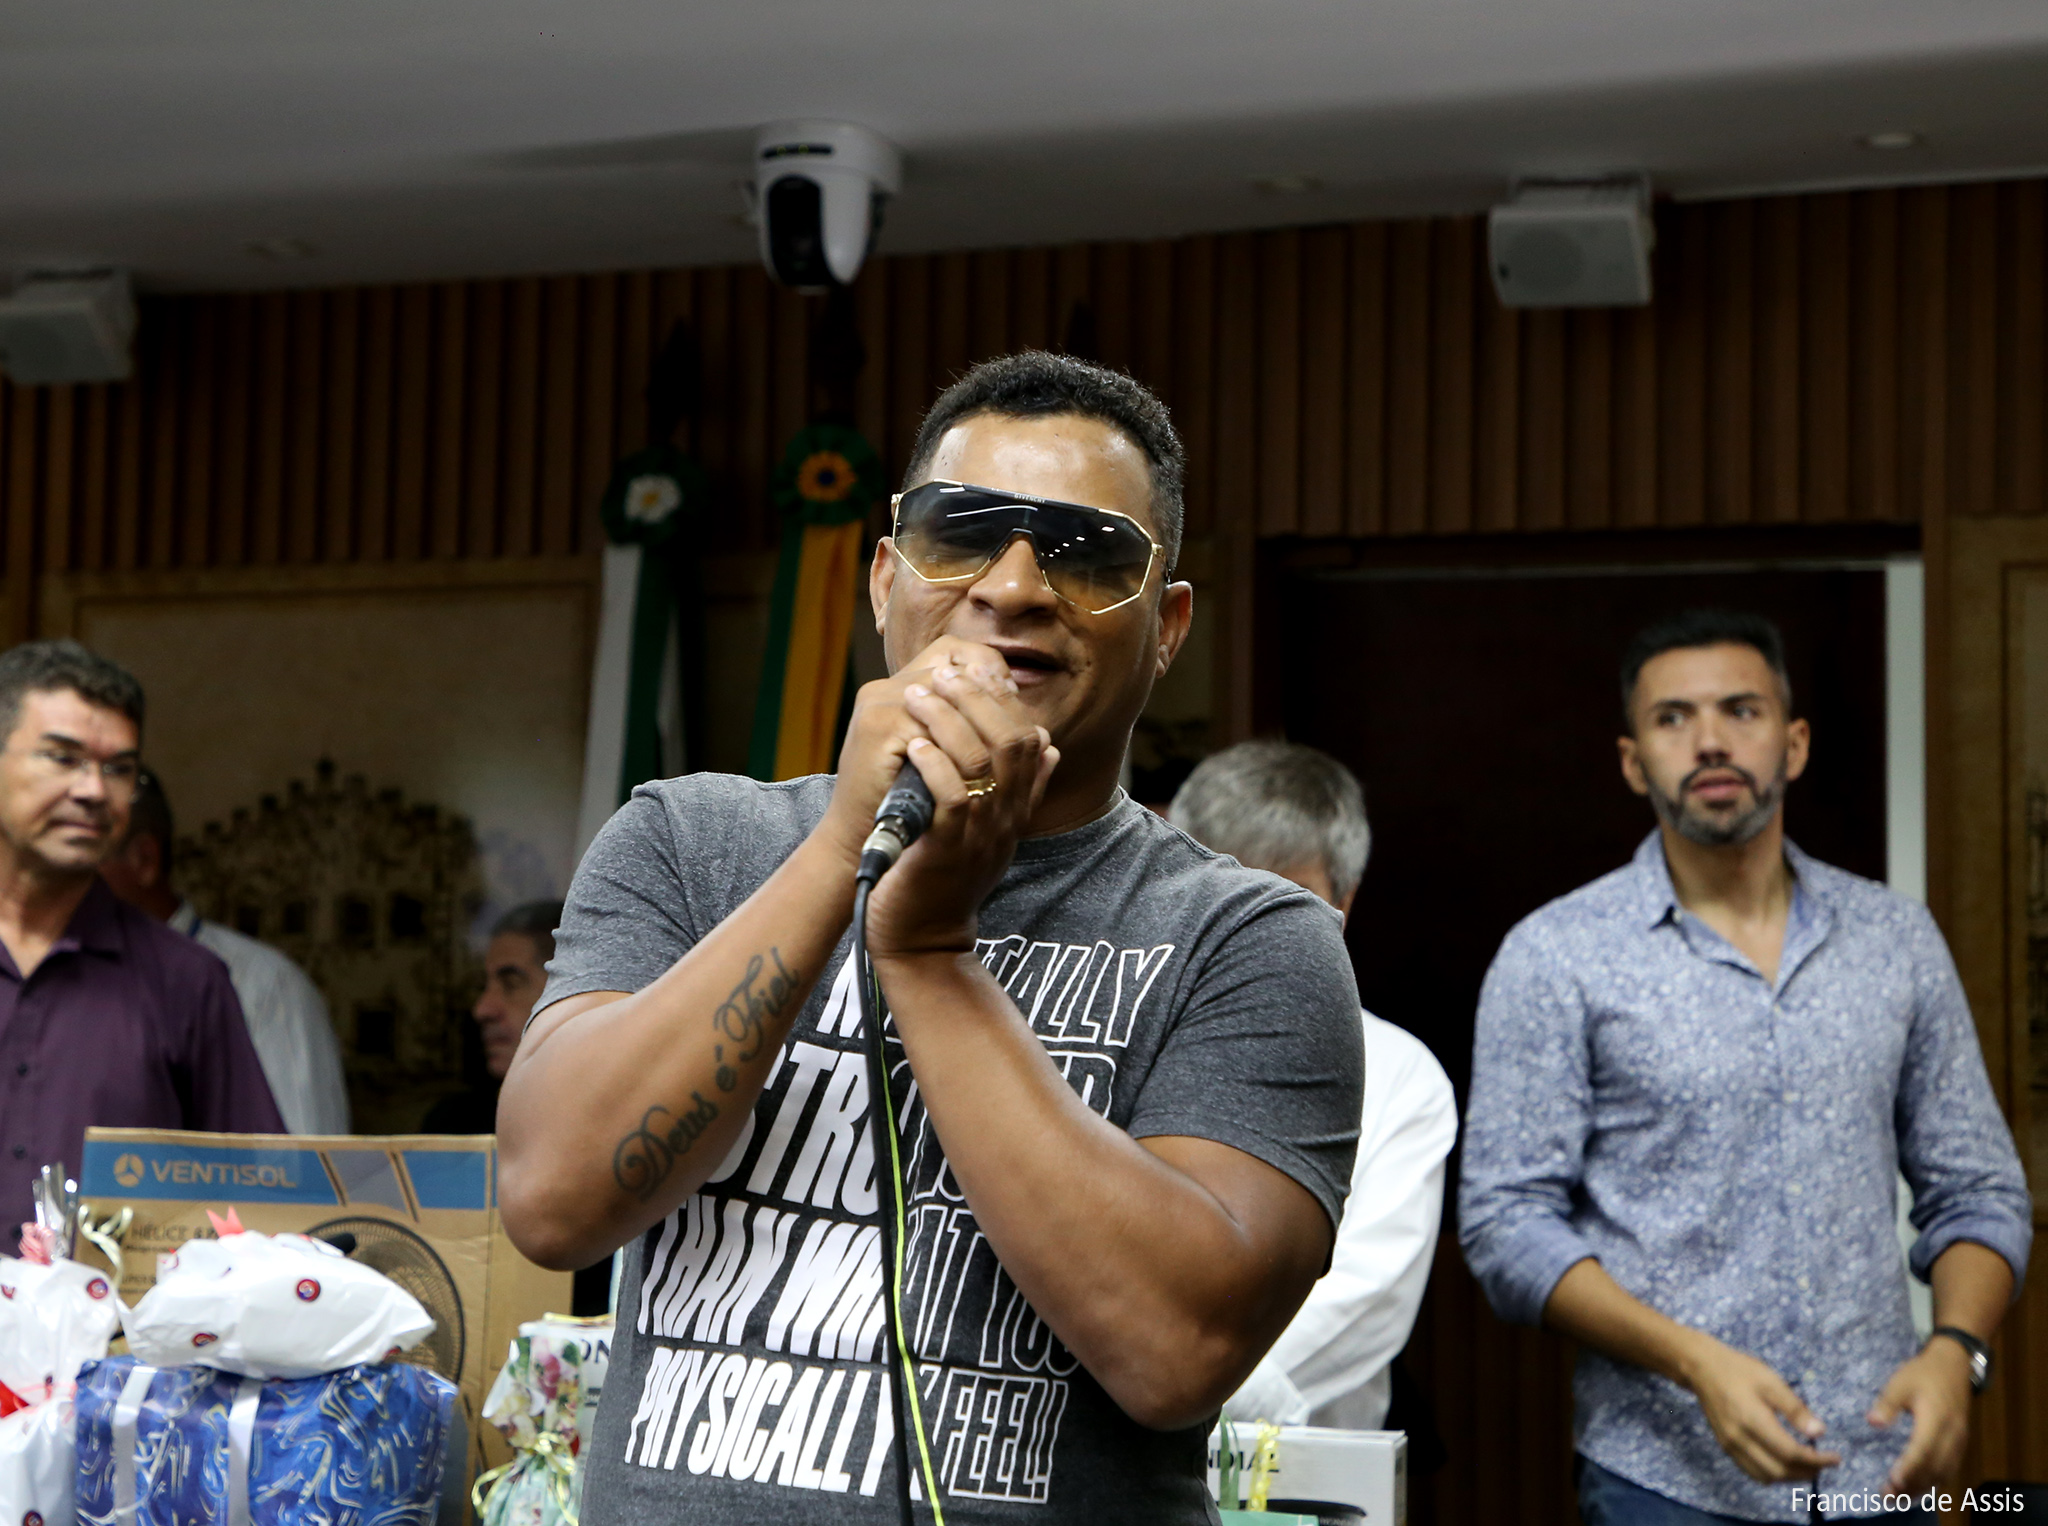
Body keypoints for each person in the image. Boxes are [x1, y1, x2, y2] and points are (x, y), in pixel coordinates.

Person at [497, 352, 1364, 1523]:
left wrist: (927, 955)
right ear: (883, 579)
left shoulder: (1251, 937)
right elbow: (552, 1202)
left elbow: (1175, 1350)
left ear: (1165, 627)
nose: (1011, 586)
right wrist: (838, 847)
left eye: (1087, 553)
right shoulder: (688, 840)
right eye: (961, 532)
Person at [1458, 609, 2031, 1526]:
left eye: (1741, 710)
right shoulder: (1555, 956)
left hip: (1884, 1471)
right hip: (1663, 1478)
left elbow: (1978, 1189)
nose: (1711, 741)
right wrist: (1694, 1361)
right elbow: (1506, 1223)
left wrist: (1956, 1350)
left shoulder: (1896, 939)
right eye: (1673, 718)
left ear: (1794, 744)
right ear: (1633, 761)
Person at [1169, 739, 1457, 1432]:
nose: (1251, 935)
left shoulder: (1400, 1073)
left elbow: (1365, 1299)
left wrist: (1172, 1378)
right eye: (1225, 898)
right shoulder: (1120, 1030)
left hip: (1304, 1461)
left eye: (1283, 905)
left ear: (1344, 903)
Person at [0, 640, 283, 1249]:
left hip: (120, 1314)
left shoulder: (187, 981)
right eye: (63, 757)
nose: (94, 790)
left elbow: (259, 1215)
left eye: (119, 768)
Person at [101, 768, 350, 1136]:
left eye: (81, 861)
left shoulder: (266, 989)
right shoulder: (64, 981)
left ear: (144, 859)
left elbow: (303, 1161)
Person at [421, 900, 563, 1134]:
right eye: (482, 986)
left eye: (511, 984)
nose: (482, 1010)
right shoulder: (454, 1127)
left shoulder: (613, 1127)